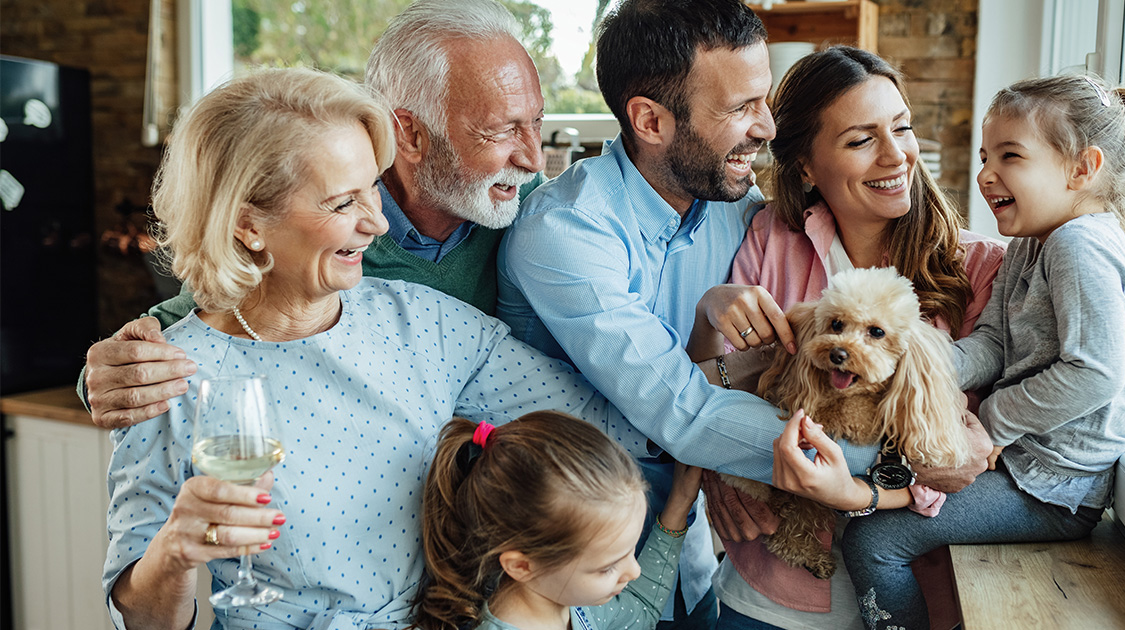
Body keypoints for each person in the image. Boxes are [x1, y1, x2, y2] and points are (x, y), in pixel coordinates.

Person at [103, 67, 645, 630]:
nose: (378, 223)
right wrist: (174, 551)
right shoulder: (164, 374)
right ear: (248, 226)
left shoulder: (422, 322)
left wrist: (727, 368)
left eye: (374, 189)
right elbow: (141, 618)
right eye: (342, 204)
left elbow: (609, 421)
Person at [81, 0, 545, 429]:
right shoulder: (314, 242)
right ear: (411, 134)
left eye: (536, 122)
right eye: (500, 131)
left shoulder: (534, 209)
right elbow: (192, 323)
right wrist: (105, 376)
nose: (534, 159)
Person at [685, 46, 1002, 630]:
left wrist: (869, 493)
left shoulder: (981, 269)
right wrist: (712, 467)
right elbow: (712, 392)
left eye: (901, 128)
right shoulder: (769, 239)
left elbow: (980, 459)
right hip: (773, 588)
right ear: (805, 166)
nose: (896, 155)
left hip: (923, 591)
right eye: (861, 140)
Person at [496, 1, 786, 626]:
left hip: (694, 545)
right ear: (650, 119)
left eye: (764, 100)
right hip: (573, 573)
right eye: (741, 108)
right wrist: (877, 461)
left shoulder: (740, 207)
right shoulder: (566, 229)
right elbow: (684, 412)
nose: (767, 127)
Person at [841, 74, 1125, 630]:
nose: (985, 174)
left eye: (1010, 155)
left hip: (1056, 488)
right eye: (985, 156)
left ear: (1082, 168)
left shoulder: (1080, 247)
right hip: (1029, 467)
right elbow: (994, 344)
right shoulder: (1033, 241)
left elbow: (1095, 372)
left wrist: (990, 422)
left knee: (874, 539)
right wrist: (919, 365)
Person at [413, 412, 702, 630]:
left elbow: (639, 610)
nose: (634, 571)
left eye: (628, 552)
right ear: (522, 566)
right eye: (608, 568)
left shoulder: (565, 599)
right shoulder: (565, 594)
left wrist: (678, 504)